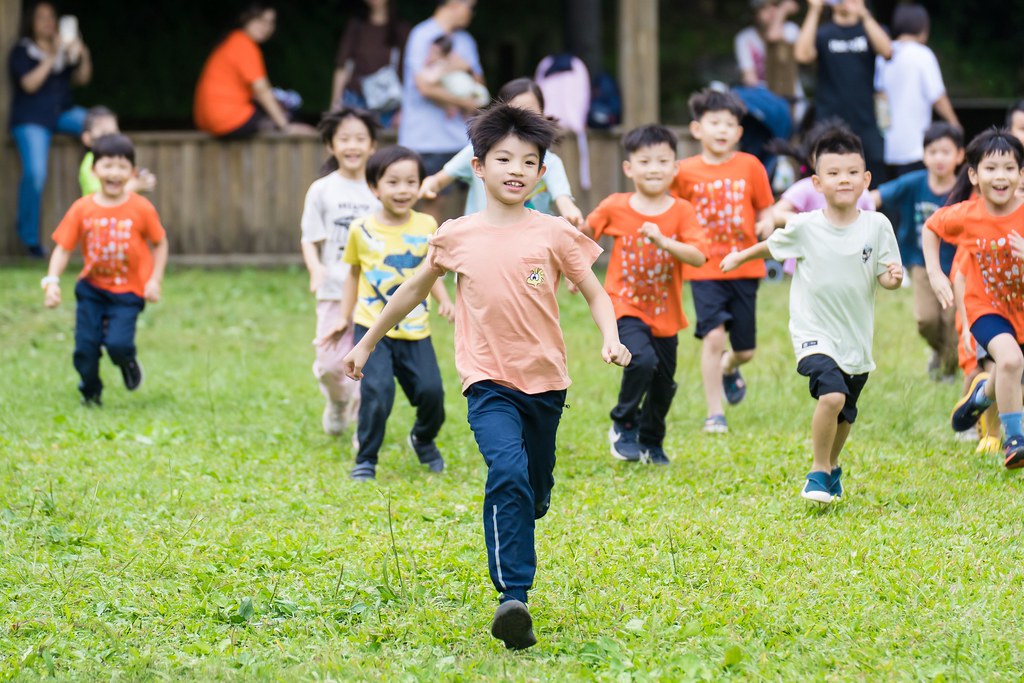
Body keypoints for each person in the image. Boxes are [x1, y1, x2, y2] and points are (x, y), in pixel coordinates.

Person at [342, 105, 629, 649]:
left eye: (528, 161)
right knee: (506, 470)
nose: (515, 169)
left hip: (546, 382)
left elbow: (594, 291)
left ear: (542, 175)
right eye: (503, 159)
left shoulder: (554, 233)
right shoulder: (457, 234)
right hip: (487, 381)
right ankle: (512, 595)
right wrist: (366, 340)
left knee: (534, 488)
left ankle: (525, 506)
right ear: (478, 167)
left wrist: (610, 337)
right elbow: (412, 289)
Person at [721, 128, 903, 503]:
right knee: (832, 396)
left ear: (866, 180)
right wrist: (740, 256)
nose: (844, 180)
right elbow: (771, 247)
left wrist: (892, 278)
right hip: (813, 332)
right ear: (817, 182)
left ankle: (833, 466)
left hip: (855, 337)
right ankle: (818, 471)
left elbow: (888, 276)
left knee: (846, 412)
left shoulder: (877, 225)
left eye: (853, 172)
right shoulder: (805, 226)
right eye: (834, 173)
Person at [582, 124, 708, 464]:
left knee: (664, 383)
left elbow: (699, 255)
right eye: (644, 161)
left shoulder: (682, 211)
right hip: (623, 303)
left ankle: (651, 441)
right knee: (643, 359)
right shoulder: (615, 205)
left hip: (665, 312)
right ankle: (623, 422)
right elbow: (584, 234)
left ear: (675, 167)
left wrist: (665, 241)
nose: (654, 169)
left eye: (662, 161)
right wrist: (573, 270)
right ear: (629, 168)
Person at [328, 146, 454, 481]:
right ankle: (366, 459)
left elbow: (430, 270)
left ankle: (423, 438)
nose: (403, 190)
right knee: (377, 393)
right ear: (374, 187)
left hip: (416, 328)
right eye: (393, 182)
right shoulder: (361, 229)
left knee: (431, 393)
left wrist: (444, 299)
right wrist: (344, 316)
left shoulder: (428, 223)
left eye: (411, 182)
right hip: (371, 327)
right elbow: (353, 275)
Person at [670, 89, 774, 434]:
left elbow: (766, 205)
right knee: (713, 337)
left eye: (729, 124)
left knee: (745, 350)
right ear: (697, 129)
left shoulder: (751, 165)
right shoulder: (683, 171)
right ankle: (715, 412)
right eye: (714, 122)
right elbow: (671, 211)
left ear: (739, 132)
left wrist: (767, 222)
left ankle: (731, 366)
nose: (722, 130)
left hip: (745, 265)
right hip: (704, 268)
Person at [41, 134, 169, 406]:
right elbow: (64, 248)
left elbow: (160, 243)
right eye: (108, 165)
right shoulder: (82, 208)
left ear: (132, 172)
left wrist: (154, 280)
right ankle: (90, 392)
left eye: (122, 167)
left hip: (129, 291)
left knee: (118, 345)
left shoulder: (141, 208)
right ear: (93, 170)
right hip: (92, 290)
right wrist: (52, 281)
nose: (114, 173)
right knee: (85, 349)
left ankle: (127, 361)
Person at [924, 129, 1024, 469]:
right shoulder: (967, 214)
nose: (1000, 177)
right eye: (991, 168)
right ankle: (1015, 439)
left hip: (1021, 308)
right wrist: (936, 273)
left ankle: (980, 397)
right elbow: (931, 228)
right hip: (986, 307)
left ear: (1021, 174)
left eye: (1009, 168)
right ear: (973, 175)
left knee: (1008, 371)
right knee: (1009, 361)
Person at [300, 108, 381, 438]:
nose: (353, 146)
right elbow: (309, 239)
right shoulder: (321, 190)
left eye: (360, 139)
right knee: (331, 364)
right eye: (344, 139)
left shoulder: (380, 188)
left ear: (373, 146)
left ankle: (362, 426)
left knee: (367, 363)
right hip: (333, 289)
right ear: (331, 145)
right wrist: (316, 269)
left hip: (373, 293)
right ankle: (336, 402)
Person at [419, 78, 583, 226]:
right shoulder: (477, 151)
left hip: (530, 242)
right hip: (480, 238)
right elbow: (439, 180)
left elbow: (562, 197)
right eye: (503, 159)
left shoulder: (551, 162)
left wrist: (569, 209)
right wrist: (429, 185)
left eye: (530, 114)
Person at [870, 122, 963, 380]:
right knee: (927, 320)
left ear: (959, 155)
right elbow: (877, 196)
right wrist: (852, 205)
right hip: (920, 261)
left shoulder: (966, 190)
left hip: (958, 265)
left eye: (946, 152)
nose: (939, 158)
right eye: (933, 152)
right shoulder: (913, 183)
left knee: (953, 323)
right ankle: (940, 353)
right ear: (924, 155)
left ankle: (948, 370)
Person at [8, 1, 92, 257]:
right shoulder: (22, 52)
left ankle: (105, 210)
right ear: (30, 23)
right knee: (36, 173)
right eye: (41, 18)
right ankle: (30, 239)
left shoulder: (64, 47)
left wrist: (82, 53)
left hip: (62, 114)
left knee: (101, 124)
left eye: (51, 17)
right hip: (31, 119)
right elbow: (30, 85)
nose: (48, 22)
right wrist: (53, 55)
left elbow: (82, 79)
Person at [398, 0, 482, 221]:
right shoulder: (422, 35)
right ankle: (431, 255)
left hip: (465, 139)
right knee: (432, 204)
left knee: (478, 203)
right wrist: (465, 102)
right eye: (469, 7)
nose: (471, 14)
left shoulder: (466, 40)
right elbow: (424, 86)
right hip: (427, 139)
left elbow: (479, 83)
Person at [794, 0, 892, 185]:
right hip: (828, 123)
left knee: (873, 178)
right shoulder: (824, 33)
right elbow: (802, 55)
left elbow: (886, 50)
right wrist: (815, 10)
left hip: (866, 122)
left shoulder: (868, 29)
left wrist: (863, 13)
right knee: (827, 175)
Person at [193, 3, 307, 137]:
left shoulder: (231, 41)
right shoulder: (244, 45)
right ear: (245, 19)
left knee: (276, 109)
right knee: (289, 115)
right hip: (226, 118)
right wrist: (285, 126)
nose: (266, 27)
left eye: (271, 22)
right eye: (260, 20)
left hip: (207, 119)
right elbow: (261, 90)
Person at [874, 4, 960, 177]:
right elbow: (937, 97)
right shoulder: (922, 54)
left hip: (888, 148)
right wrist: (954, 124)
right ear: (923, 28)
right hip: (916, 148)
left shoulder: (883, 55)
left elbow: (879, 96)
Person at [770, 119, 875, 228]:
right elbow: (774, 213)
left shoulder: (860, 192)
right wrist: (797, 219)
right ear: (811, 160)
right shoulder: (805, 188)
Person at [330, 0, 411, 128]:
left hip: (387, 100)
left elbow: (408, 72)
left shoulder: (401, 28)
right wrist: (336, 102)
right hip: (355, 96)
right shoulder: (357, 25)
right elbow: (343, 65)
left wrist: (404, 108)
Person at [735, 0, 805, 119]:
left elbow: (773, 37)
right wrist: (782, 11)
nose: (772, 12)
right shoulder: (745, 38)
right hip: (763, 105)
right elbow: (749, 77)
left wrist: (781, 13)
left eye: (775, 6)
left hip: (792, 101)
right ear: (755, 13)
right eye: (765, 8)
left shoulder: (790, 30)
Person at [78, 107, 156, 197]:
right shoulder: (90, 162)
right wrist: (135, 186)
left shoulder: (118, 158)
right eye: (105, 133)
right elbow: (102, 195)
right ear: (87, 138)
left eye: (115, 132)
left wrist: (141, 178)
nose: (112, 138)